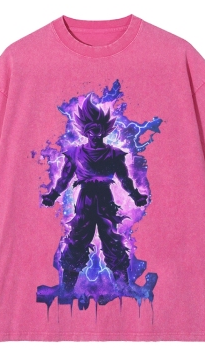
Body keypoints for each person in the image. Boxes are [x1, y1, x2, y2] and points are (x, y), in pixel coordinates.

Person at [42, 93, 148, 292]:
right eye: (90, 129)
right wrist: (53, 195)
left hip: (106, 200)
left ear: (104, 130)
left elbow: (124, 179)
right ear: (85, 131)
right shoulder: (75, 153)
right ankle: (67, 289)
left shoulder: (114, 153)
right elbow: (64, 178)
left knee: (112, 241)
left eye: (98, 129)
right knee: (77, 240)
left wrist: (135, 195)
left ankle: (123, 288)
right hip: (85, 201)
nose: (95, 134)